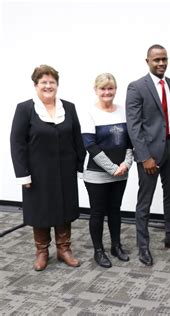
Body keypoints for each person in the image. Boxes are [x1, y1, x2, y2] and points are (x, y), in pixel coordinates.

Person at [10, 65, 86, 271]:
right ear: (35, 85)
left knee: (64, 208)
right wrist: (22, 174)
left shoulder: (68, 108)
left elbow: (77, 138)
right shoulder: (25, 109)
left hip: (65, 171)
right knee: (41, 210)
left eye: (52, 82)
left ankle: (64, 250)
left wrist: (80, 165)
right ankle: (42, 251)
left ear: (57, 85)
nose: (48, 86)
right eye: (43, 82)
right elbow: (17, 144)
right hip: (38, 173)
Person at [126, 44, 170, 266]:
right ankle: (143, 247)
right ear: (147, 62)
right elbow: (134, 127)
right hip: (150, 154)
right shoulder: (136, 87)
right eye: (156, 60)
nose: (161, 63)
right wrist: (145, 157)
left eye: (164, 59)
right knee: (144, 202)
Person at [81, 73, 133, 268]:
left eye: (110, 88)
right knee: (97, 213)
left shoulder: (123, 111)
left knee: (115, 211)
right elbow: (90, 146)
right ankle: (99, 251)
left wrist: (126, 164)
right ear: (96, 90)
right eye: (102, 88)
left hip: (121, 172)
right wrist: (112, 168)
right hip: (97, 175)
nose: (107, 92)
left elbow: (129, 141)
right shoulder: (89, 113)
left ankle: (116, 246)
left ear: (115, 90)